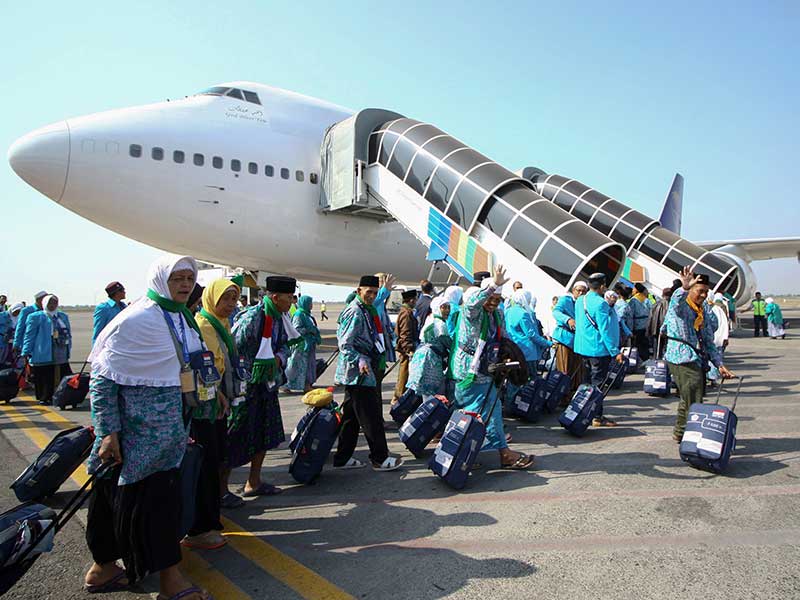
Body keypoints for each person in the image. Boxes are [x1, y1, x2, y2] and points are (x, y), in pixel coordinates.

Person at [84, 254, 211, 599]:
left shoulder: (180, 319)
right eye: (177, 278)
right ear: (160, 280)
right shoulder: (137, 319)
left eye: (189, 278)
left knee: (123, 505)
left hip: (166, 438)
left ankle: (104, 570)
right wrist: (107, 432)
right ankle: (170, 583)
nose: (185, 284)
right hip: (134, 442)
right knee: (152, 510)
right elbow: (102, 379)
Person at [451, 266, 534, 469]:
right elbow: (471, 303)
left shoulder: (496, 314)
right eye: (491, 299)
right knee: (480, 411)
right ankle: (495, 452)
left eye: (497, 300)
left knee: (486, 410)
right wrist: (493, 285)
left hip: (487, 369)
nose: (493, 303)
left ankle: (474, 451)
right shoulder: (473, 313)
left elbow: (503, 336)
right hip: (469, 371)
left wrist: (508, 356)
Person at [230, 276, 301, 496]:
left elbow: (285, 346)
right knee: (236, 436)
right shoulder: (252, 317)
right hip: (247, 387)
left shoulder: (280, 318)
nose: (291, 301)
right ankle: (222, 489)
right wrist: (255, 367)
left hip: (266, 387)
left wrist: (278, 358)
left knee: (263, 435)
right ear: (275, 297)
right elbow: (234, 350)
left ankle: (254, 481)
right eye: (288, 298)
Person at [183, 278, 238, 548]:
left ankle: (210, 518)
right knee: (205, 463)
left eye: (233, 299)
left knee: (215, 459)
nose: (230, 305)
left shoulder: (221, 324)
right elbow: (201, 367)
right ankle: (200, 526)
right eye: (224, 299)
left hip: (218, 403)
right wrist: (217, 393)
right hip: (204, 407)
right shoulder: (203, 325)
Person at [333, 275, 403, 471]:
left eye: (374, 292)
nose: (372, 296)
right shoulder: (355, 312)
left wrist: (385, 290)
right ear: (359, 291)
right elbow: (344, 344)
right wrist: (361, 359)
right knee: (371, 415)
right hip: (358, 372)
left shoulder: (366, 309)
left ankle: (342, 458)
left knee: (351, 417)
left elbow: (379, 301)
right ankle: (379, 458)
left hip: (361, 371)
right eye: (368, 292)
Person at [663, 267, 735, 442]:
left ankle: (681, 432)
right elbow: (676, 302)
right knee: (694, 394)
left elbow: (709, 342)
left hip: (696, 358)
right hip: (681, 357)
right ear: (691, 290)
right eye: (700, 291)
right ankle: (690, 433)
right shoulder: (681, 307)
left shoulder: (704, 312)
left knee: (690, 395)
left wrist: (719, 364)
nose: (703, 295)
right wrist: (684, 287)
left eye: (706, 292)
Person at [574, 273, 623, 427]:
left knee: (586, 384)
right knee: (598, 385)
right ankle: (596, 416)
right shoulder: (601, 304)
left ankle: (584, 413)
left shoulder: (580, 300)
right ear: (602, 286)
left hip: (583, 348)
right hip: (598, 349)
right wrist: (615, 352)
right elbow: (605, 330)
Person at [22, 294, 72, 405]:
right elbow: (29, 335)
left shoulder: (62, 316)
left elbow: (68, 333)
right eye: (50, 303)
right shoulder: (35, 317)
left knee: (63, 374)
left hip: (60, 349)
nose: (53, 305)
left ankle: (62, 396)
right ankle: (44, 397)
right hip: (43, 349)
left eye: (55, 303)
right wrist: (26, 351)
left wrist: (69, 348)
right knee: (44, 375)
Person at [551, 281, 588, 404]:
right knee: (564, 369)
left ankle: (572, 394)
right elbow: (556, 312)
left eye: (584, 291)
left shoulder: (585, 303)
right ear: (573, 291)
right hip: (565, 339)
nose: (581, 293)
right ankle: (562, 395)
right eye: (579, 290)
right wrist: (568, 320)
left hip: (578, 341)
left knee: (577, 370)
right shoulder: (565, 300)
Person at [407, 297, 451, 397]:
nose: (447, 310)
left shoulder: (431, 318)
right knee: (432, 394)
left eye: (448, 307)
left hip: (422, 356)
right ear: (437, 308)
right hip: (430, 359)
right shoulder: (440, 324)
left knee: (424, 393)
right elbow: (448, 343)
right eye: (444, 307)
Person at [505, 289, 552, 378]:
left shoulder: (508, 311)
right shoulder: (523, 313)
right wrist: (548, 343)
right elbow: (531, 334)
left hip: (513, 348)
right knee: (531, 378)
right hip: (527, 351)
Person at [285, 295, 322, 393]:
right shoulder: (299, 314)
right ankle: (287, 385)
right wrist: (309, 330)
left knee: (308, 365)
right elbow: (296, 329)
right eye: (310, 303)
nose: (311, 305)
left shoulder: (307, 315)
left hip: (309, 344)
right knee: (295, 366)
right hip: (301, 345)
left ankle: (307, 385)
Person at [393, 289, 419, 403]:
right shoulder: (406, 313)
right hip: (407, 350)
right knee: (404, 374)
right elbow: (405, 333)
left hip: (406, 348)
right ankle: (399, 398)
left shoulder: (406, 311)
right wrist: (409, 349)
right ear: (412, 300)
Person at [646, 286, 673, 359]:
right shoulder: (673, 305)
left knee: (657, 350)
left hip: (656, 330)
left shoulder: (656, 304)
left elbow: (650, 318)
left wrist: (648, 331)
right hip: (669, 331)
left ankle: (656, 362)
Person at [629, 283, 652, 361]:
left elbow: (630, 314)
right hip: (646, 324)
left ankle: (641, 359)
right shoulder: (647, 299)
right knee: (645, 342)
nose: (632, 290)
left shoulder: (633, 300)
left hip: (637, 324)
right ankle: (646, 357)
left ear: (637, 290)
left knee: (638, 343)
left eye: (633, 288)